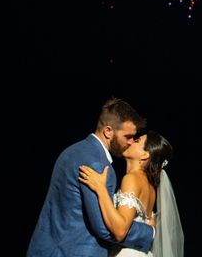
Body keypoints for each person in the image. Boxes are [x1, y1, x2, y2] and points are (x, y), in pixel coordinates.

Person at [27, 98, 155, 257]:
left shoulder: (73, 150)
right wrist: (149, 233)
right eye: (128, 136)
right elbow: (104, 229)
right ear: (108, 131)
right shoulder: (98, 164)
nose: (130, 142)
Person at [78, 130, 183, 257]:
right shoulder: (149, 186)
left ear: (145, 155)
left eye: (137, 141)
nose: (131, 141)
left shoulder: (132, 179)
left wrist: (101, 189)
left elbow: (120, 231)